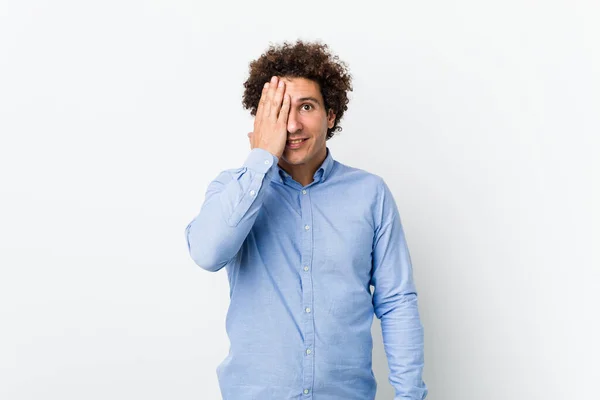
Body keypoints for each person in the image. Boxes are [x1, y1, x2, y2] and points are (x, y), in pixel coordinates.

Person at [185, 39, 428, 400]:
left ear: (331, 115)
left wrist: (410, 396)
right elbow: (206, 253)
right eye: (280, 110)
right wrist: (261, 156)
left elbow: (396, 302)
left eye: (307, 107)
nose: (293, 124)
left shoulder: (370, 194)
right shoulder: (234, 189)